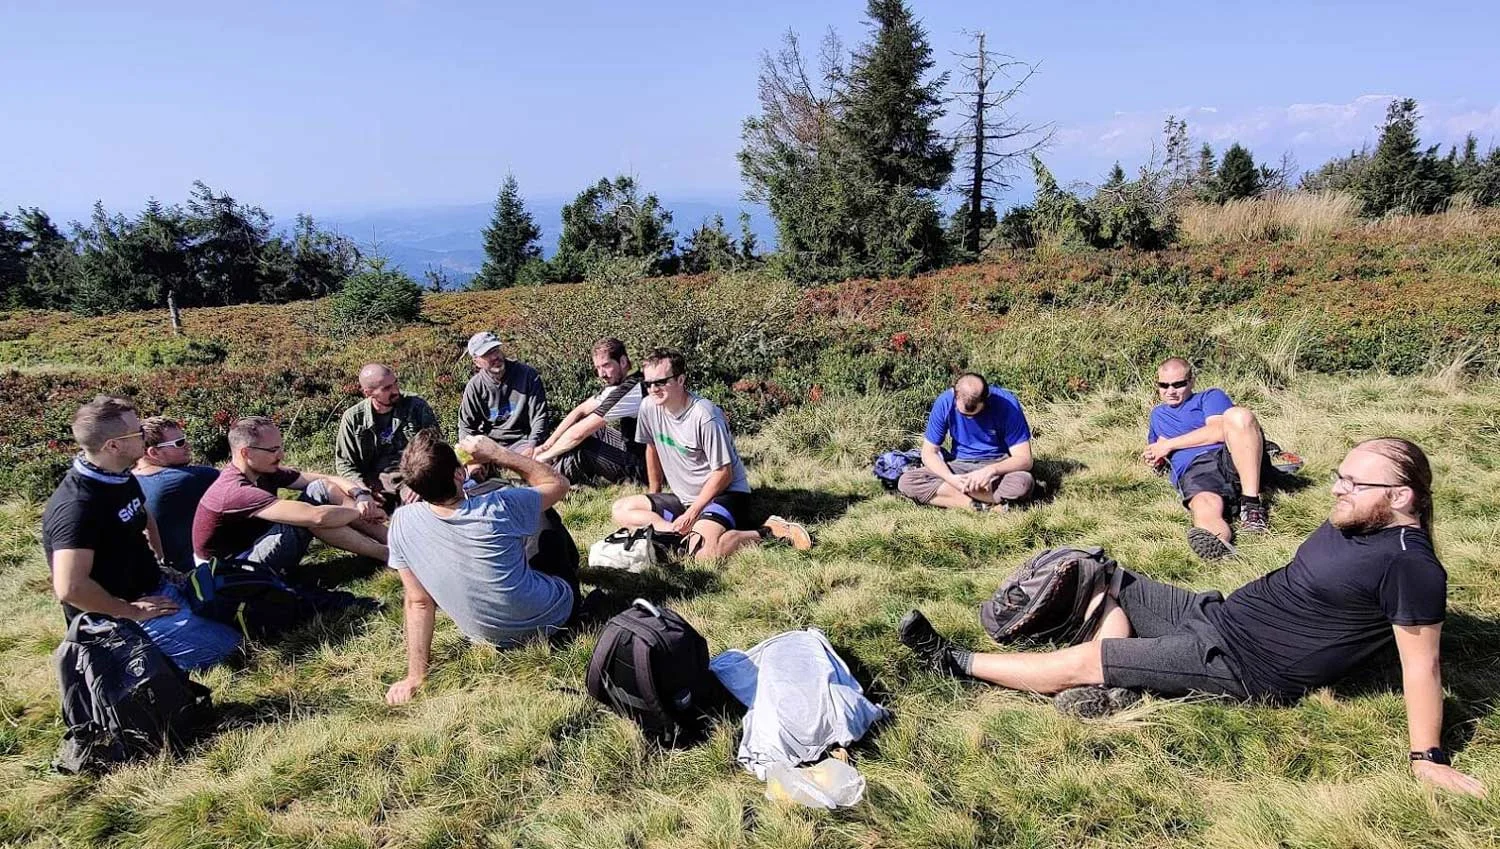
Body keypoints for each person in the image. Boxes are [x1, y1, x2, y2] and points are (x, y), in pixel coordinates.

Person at [898, 438, 1485, 798]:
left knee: (1086, 661)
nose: (1337, 488)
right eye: (1340, 475)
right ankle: (1126, 680)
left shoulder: (1410, 567)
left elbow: (1422, 667)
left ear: (1402, 496)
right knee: (1105, 575)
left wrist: (1427, 758)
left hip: (1245, 665)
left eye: (1354, 483)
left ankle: (958, 664)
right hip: (1219, 613)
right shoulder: (1355, 521)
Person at [43, 396, 240, 669]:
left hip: (156, 588)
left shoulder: (120, 475)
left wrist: (160, 564)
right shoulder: (78, 506)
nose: (145, 437)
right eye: (138, 433)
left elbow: (144, 517)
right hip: (114, 618)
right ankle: (123, 662)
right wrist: (130, 611)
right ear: (113, 445)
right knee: (229, 649)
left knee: (244, 609)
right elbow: (70, 588)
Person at [384, 431, 576, 705]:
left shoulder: (401, 522)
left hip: (485, 637)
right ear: (458, 474)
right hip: (552, 617)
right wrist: (498, 453)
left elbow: (419, 602)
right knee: (544, 517)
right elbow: (557, 483)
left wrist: (415, 676)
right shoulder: (501, 505)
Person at [609, 347, 811, 560]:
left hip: (724, 494)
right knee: (621, 509)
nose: (653, 389)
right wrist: (655, 493)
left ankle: (769, 531)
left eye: (661, 382)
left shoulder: (705, 416)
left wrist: (692, 513)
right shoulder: (649, 407)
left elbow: (724, 473)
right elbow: (652, 448)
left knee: (704, 554)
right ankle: (673, 533)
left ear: (680, 380)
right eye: (648, 383)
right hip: (684, 497)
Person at [192, 416, 389, 571]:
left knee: (320, 487)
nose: (281, 455)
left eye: (281, 447)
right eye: (273, 450)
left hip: (253, 545)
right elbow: (318, 517)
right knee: (309, 519)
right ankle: (387, 555)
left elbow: (326, 480)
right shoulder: (235, 491)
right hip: (232, 568)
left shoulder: (263, 470)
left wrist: (361, 495)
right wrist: (361, 512)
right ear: (246, 453)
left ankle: (393, 539)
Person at [1143, 357, 1269, 560]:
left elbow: (1218, 431)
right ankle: (1218, 544)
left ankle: (1252, 506)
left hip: (1232, 455)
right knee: (1203, 504)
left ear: (1192, 381)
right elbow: (1157, 448)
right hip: (1196, 469)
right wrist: (1154, 457)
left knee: (1239, 415)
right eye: (1164, 385)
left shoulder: (1210, 397)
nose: (1171, 391)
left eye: (1179, 384)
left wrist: (1168, 445)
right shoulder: (1157, 415)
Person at [896, 373, 1035, 512]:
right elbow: (928, 453)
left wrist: (990, 471)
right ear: (954, 394)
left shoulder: (1007, 404)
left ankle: (956, 496)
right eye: (963, 414)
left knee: (1023, 483)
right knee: (907, 482)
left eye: (974, 414)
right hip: (960, 465)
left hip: (997, 465)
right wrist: (951, 478)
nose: (969, 418)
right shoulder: (944, 402)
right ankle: (981, 506)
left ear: (986, 400)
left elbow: (1024, 459)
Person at [532, 337, 647, 485]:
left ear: (623, 361)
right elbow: (580, 411)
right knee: (586, 429)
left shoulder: (632, 390)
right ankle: (560, 473)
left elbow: (578, 434)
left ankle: (544, 482)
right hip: (634, 450)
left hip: (643, 470)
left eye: (606, 365)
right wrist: (547, 445)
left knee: (584, 443)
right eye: (598, 368)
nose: (601, 374)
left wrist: (543, 458)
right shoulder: (621, 386)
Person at [335, 363, 440, 509]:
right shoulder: (353, 419)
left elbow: (435, 448)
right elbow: (345, 464)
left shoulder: (416, 406)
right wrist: (362, 491)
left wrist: (420, 481)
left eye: (395, 383)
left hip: (412, 476)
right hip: (374, 483)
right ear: (368, 393)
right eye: (386, 388)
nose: (395, 390)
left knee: (427, 507)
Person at [133, 416, 219, 573]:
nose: (188, 446)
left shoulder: (127, 481)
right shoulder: (187, 479)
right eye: (179, 443)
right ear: (154, 452)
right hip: (191, 575)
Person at [458, 331, 549, 456]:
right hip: (489, 444)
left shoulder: (527, 375)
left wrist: (533, 445)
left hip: (522, 441)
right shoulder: (475, 386)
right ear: (476, 362)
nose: (495, 357)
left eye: (495, 350)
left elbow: (539, 417)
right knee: (473, 471)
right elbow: (466, 427)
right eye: (487, 354)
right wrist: (467, 458)